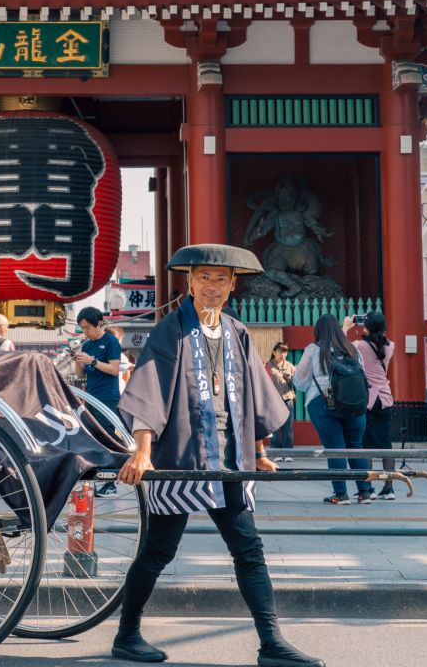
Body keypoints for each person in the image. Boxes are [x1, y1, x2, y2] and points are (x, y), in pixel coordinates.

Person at [115, 244, 322, 667]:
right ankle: (127, 635)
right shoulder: (169, 330)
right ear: (190, 282)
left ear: (232, 285)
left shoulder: (236, 331)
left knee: (249, 549)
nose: (212, 286)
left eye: (221, 279)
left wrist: (259, 451)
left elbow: (252, 395)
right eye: (204, 277)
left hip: (229, 456)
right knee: (158, 551)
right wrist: (141, 453)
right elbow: (149, 391)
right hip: (182, 455)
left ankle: (271, 643)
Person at [294, 314, 371, 504]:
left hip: (323, 403)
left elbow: (300, 381)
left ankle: (341, 494)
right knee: (355, 446)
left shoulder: (314, 350)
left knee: (335, 448)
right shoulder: (352, 348)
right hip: (355, 403)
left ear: (318, 330)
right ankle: (365, 492)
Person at [75, 307, 123, 498]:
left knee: (107, 438)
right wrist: (78, 361)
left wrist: (92, 361)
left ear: (99, 324)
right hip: (91, 397)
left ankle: (111, 482)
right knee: (93, 438)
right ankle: (100, 478)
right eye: (83, 328)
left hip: (108, 398)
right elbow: (80, 376)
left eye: (87, 327)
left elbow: (114, 369)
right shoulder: (87, 346)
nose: (86, 332)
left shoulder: (111, 342)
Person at [351, 312, 397, 500]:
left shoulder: (359, 346)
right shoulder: (391, 346)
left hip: (368, 400)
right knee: (385, 444)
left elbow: (342, 349)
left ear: (367, 327)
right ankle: (389, 487)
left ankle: (369, 487)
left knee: (366, 444)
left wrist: (348, 326)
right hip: (385, 398)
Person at [266, 342, 296, 459]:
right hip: (273, 400)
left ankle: (288, 454)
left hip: (288, 399)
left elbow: (297, 381)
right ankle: (276, 453)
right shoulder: (268, 365)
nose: (283, 354)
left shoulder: (290, 366)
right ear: (274, 352)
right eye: (280, 351)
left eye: (285, 352)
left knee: (288, 427)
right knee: (275, 427)